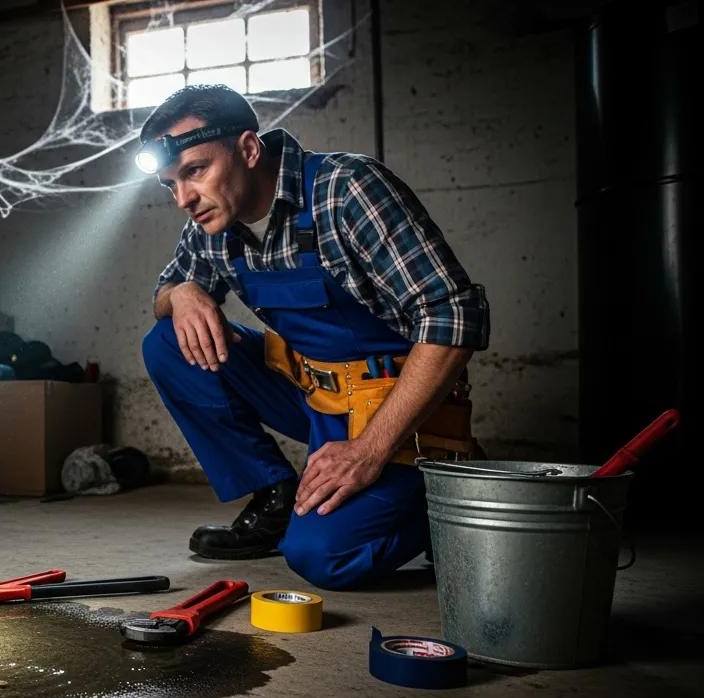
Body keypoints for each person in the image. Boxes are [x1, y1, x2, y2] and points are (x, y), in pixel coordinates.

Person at [138, 85, 489, 590]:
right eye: (169, 184)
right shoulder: (211, 224)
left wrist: (367, 451)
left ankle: (450, 504)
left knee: (322, 557)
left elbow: (454, 314)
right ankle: (275, 497)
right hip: (316, 398)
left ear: (249, 149)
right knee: (167, 341)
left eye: (195, 171)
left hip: (400, 414)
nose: (183, 199)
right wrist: (183, 292)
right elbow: (163, 291)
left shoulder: (347, 189)